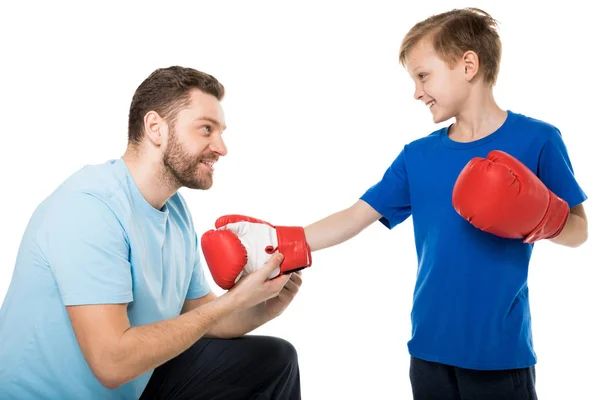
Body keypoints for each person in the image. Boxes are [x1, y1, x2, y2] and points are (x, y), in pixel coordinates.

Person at [201, 8, 588, 400]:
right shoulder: (417, 156)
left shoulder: (538, 139)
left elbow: (580, 231)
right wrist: (272, 242)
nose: (417, 92)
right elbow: (355, 216)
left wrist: (540, 216)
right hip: (428, 351)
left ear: (468, 65)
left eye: (423, 76)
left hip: (500, 355)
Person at [0, 66, 303, 399]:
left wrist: (262, 307)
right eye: (206, 129)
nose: (221, 147)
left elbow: (202, 316)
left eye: (221, 132)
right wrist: (231, 302)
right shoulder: (88, 208)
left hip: (130, 386)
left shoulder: (175, 211)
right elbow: (111, 364)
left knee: (274, 360)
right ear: (155, 128)